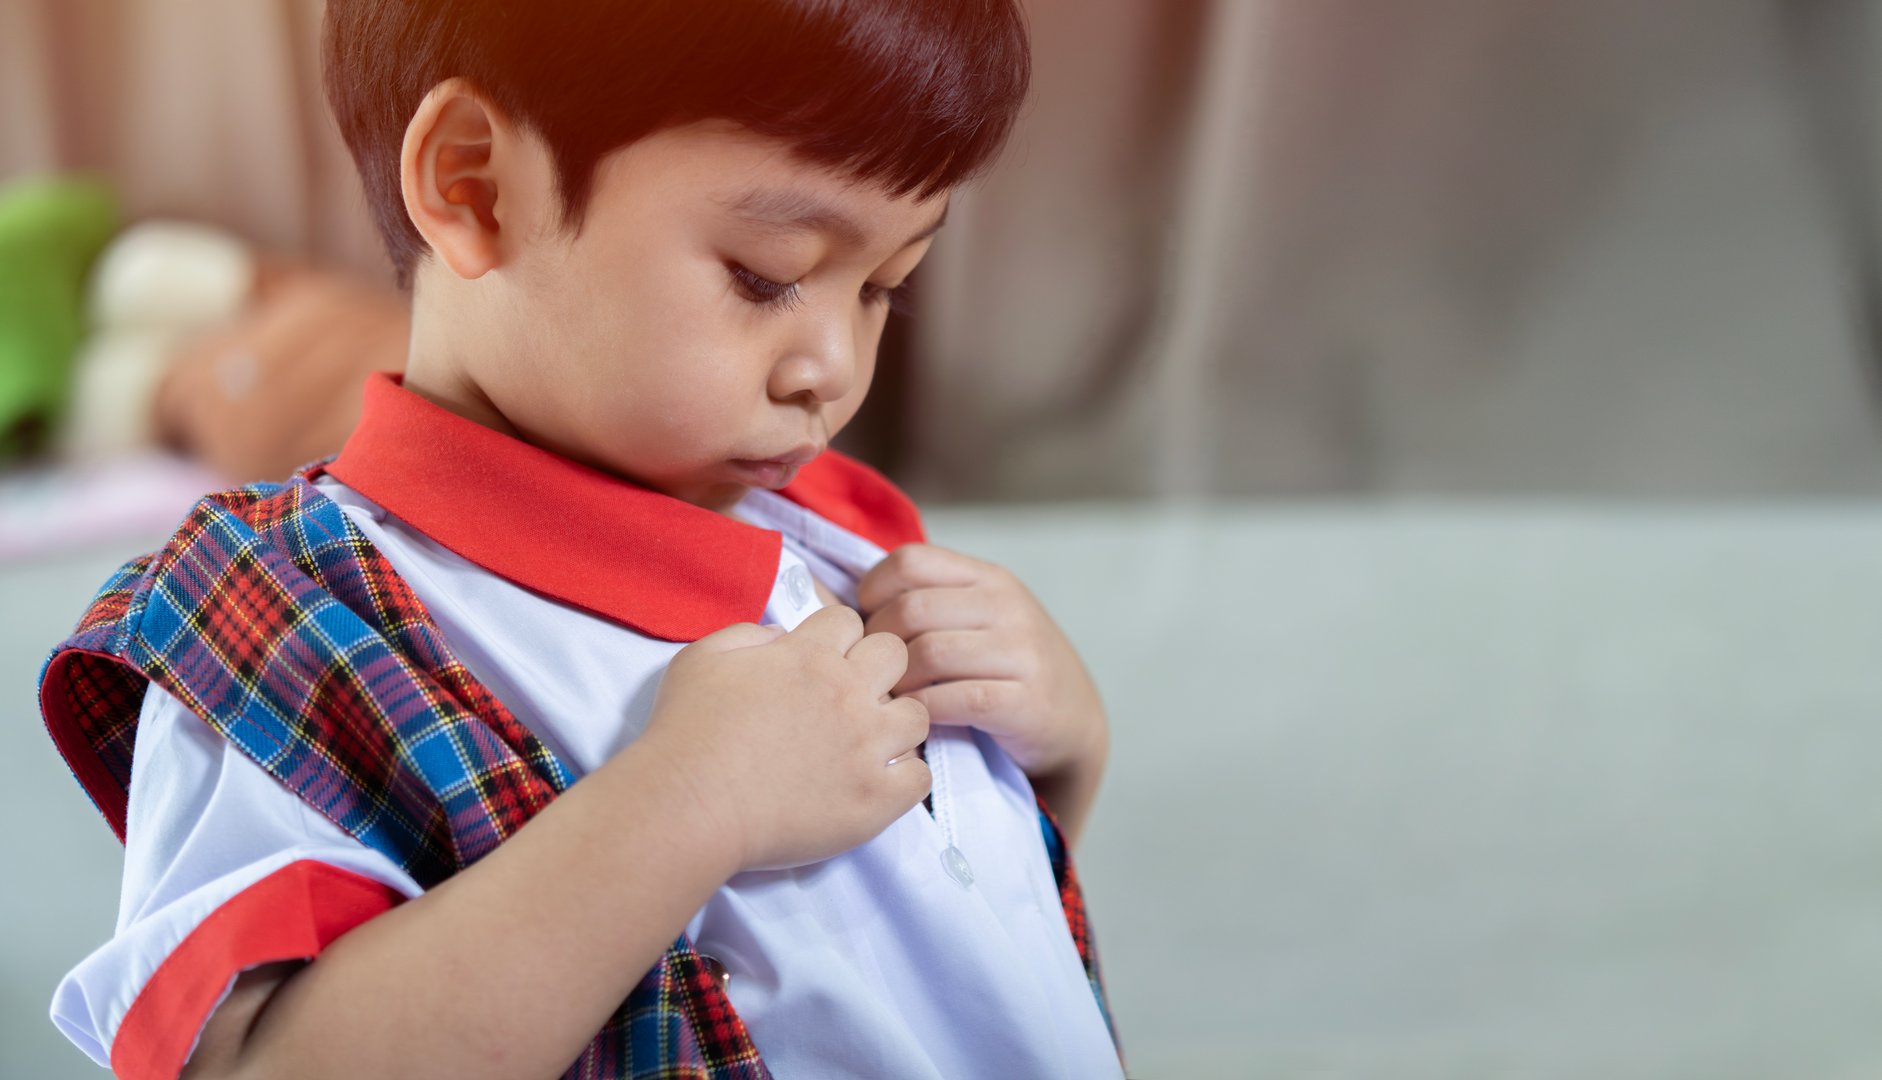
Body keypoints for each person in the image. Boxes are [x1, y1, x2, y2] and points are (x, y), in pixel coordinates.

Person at [38, 2, 1123, 1077]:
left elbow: (948, 939)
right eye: (766, 271)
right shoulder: (288, 625)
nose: (832, 368)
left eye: (885, 286)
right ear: (473, 186)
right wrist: (692, 802)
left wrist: (1059, 755)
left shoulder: (843, 531)